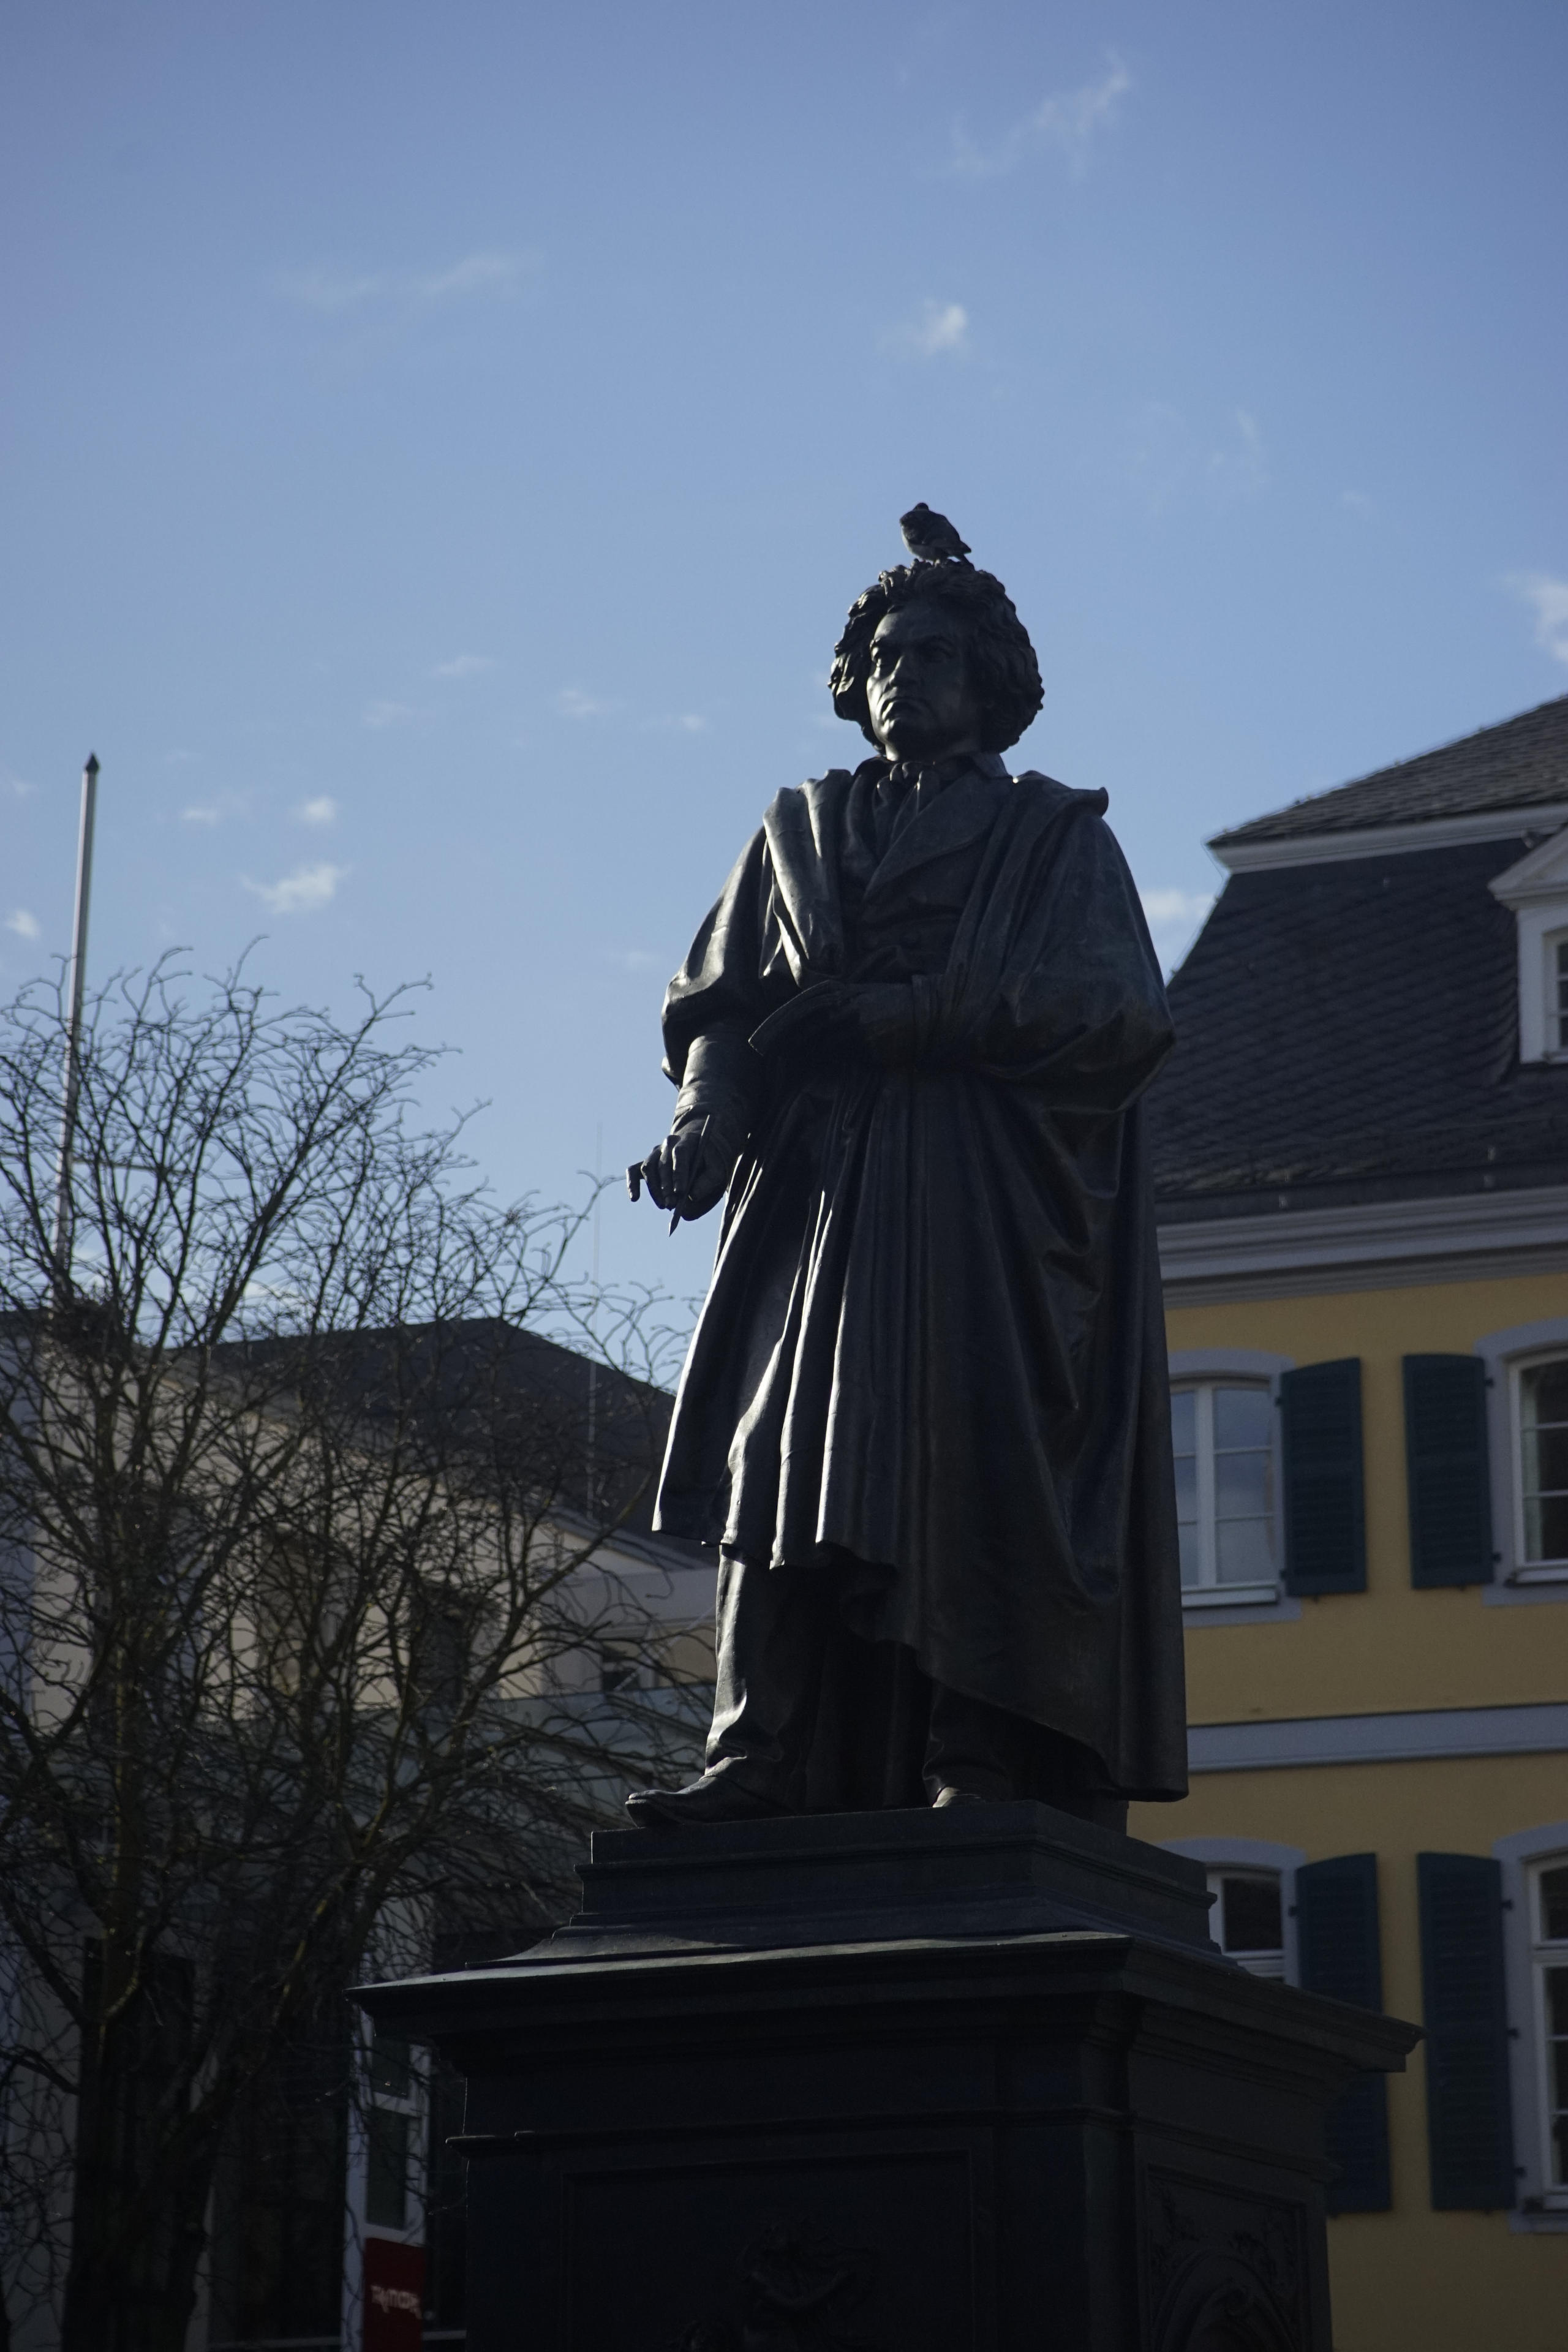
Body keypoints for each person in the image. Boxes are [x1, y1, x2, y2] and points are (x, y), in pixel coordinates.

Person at [625, 529, 1186, 1830]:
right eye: (882, 657)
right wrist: (706, 1114)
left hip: (982, 1199)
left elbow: (1117, 1014)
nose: (901, 675)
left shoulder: (1051, 838)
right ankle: (755, 1752)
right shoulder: (798, 832)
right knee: (781, 1452)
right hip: (815, 1193)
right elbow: (724, 1004)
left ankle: (974, 1752)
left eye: (931, 654)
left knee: (966, 1454)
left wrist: (922, 1016)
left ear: (987, 680)